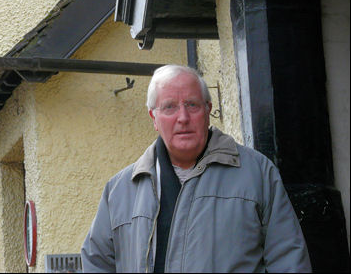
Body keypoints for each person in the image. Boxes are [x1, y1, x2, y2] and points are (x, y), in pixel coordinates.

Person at [81, 64, 311, 273]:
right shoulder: (120, 190)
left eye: (192, 105)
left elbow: (289, 260)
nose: (183, 117)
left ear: (208, 109)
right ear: (154, 117)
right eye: (169, 107)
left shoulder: (257, 173)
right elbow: (96, 263)